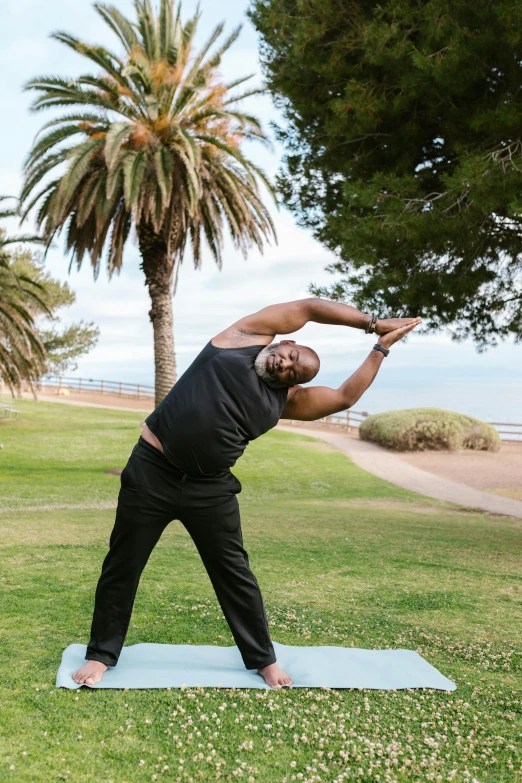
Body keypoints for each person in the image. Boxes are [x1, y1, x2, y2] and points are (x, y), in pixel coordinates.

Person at [72, 298, 421, 688]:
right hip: (151, 473)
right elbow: (307, 307)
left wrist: (381, 349)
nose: (286, 364)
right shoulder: (241, 338)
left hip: (211, 489)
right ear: (282, 342)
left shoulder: (286, 400)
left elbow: (342, 398)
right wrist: (373, 324)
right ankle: (101, 655)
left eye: (294, 371)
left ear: (295, 382)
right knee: (123, 563)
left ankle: (263, 659)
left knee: (235, 573)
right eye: (290, 354)